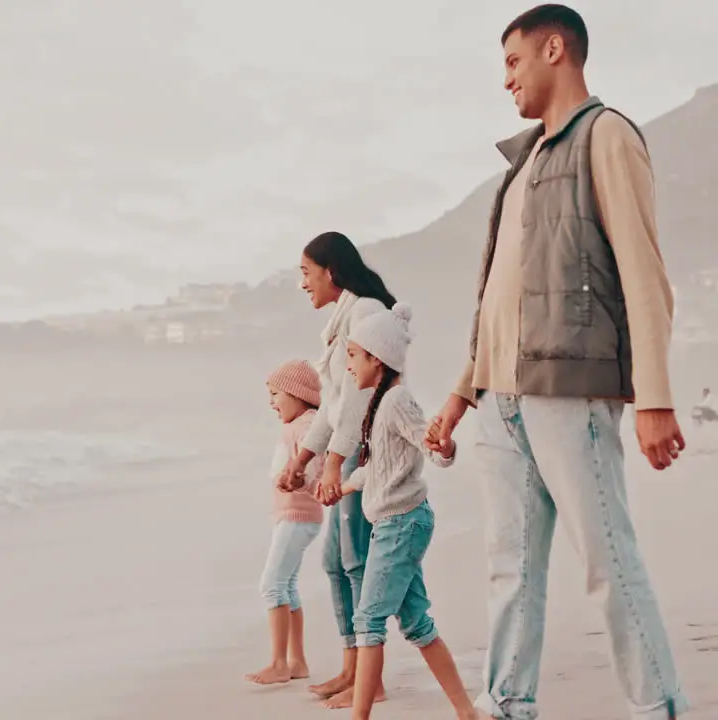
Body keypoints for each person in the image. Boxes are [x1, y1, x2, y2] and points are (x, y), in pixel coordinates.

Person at [425, 5, 688, 718]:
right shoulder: (522, 166)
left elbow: (644, 274)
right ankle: (510, 707)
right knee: (509, 571)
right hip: (501, 405)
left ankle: (659, 707)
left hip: (570, 395)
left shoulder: (606, 136)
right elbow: (497, 297)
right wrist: (460, 394)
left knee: (609, 565)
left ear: (553, 49)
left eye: (513, 63)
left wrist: (655, 399)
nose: (506, 80)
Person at [318, 302, 482, 720]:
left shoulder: (395, 401)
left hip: (402, 525)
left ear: (377, 358)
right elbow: (378, 468)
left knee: (368, 619)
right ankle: (467, 713)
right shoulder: (378, 404)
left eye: (354, 355)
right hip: (396, 524)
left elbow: (430, 445)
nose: (349, 364)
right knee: (416, 624)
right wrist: (345, 485)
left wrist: (444, 446)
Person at [279, 230, 396, 709]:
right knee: (336, 563)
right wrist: (302, 457)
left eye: (306, 272)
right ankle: (351, 669)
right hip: (343, 451)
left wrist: (330, 463)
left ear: (330, 271)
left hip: (362, 453)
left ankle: (372, 680)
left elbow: (357, 397)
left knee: (357, 563)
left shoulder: (366, 313)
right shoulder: (345, 317)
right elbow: (331, 403)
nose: (303, 283)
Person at [245, 360, 325, 685]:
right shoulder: (298, 425)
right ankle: (297, 662)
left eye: (275, 393)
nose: (271, 402)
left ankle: (279, 662)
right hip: (292, 516)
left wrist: (295, 480)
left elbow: (315, 469)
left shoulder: (308, 425)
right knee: (287, 586)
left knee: (271, 584)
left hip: (298, 515)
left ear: (296, 394)